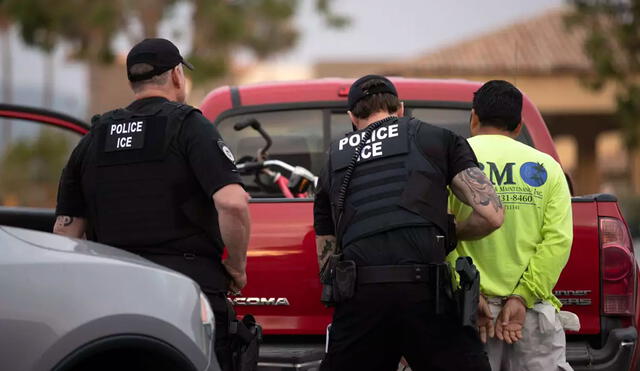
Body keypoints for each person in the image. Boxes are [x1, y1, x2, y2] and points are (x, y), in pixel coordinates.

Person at [53, 38, 251, 370]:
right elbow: (232, 204)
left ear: (133, 81)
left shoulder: (94, 137)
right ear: (176, 75)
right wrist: (237, 268)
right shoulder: (189, 126)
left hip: (113, 292)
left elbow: (66, 230)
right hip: (186, 290)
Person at [313, 74, 504, 371]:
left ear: (351, 117)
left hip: (361, 301)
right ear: (400, 108)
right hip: (426, 295)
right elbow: (493, 215)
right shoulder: (437, 138)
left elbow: (326, 261)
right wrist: (451, 233)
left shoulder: (332, 160)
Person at [448, 80, 573, 370]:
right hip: (530, 317)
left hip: (469, 313)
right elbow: (558, 241)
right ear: (518, 127)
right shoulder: (548, 168)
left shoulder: (450, 161)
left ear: (474, 117)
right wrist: (522, 296)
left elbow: (439, 233)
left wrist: (469, 291)